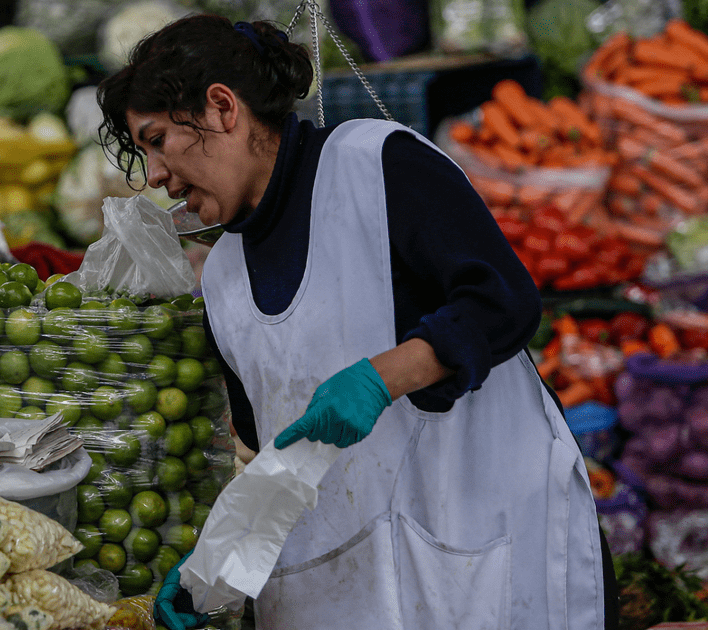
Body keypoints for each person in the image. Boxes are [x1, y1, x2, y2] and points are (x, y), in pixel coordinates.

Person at [96, 14, 618, 630]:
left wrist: (382, 377)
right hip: (362, 593)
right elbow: (277, 462)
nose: (155, 175)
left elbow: (504, 301)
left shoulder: (375, 165)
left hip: (493, 561)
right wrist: (220, 563)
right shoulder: (224, 278)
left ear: (221, 109)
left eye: (158, 140)